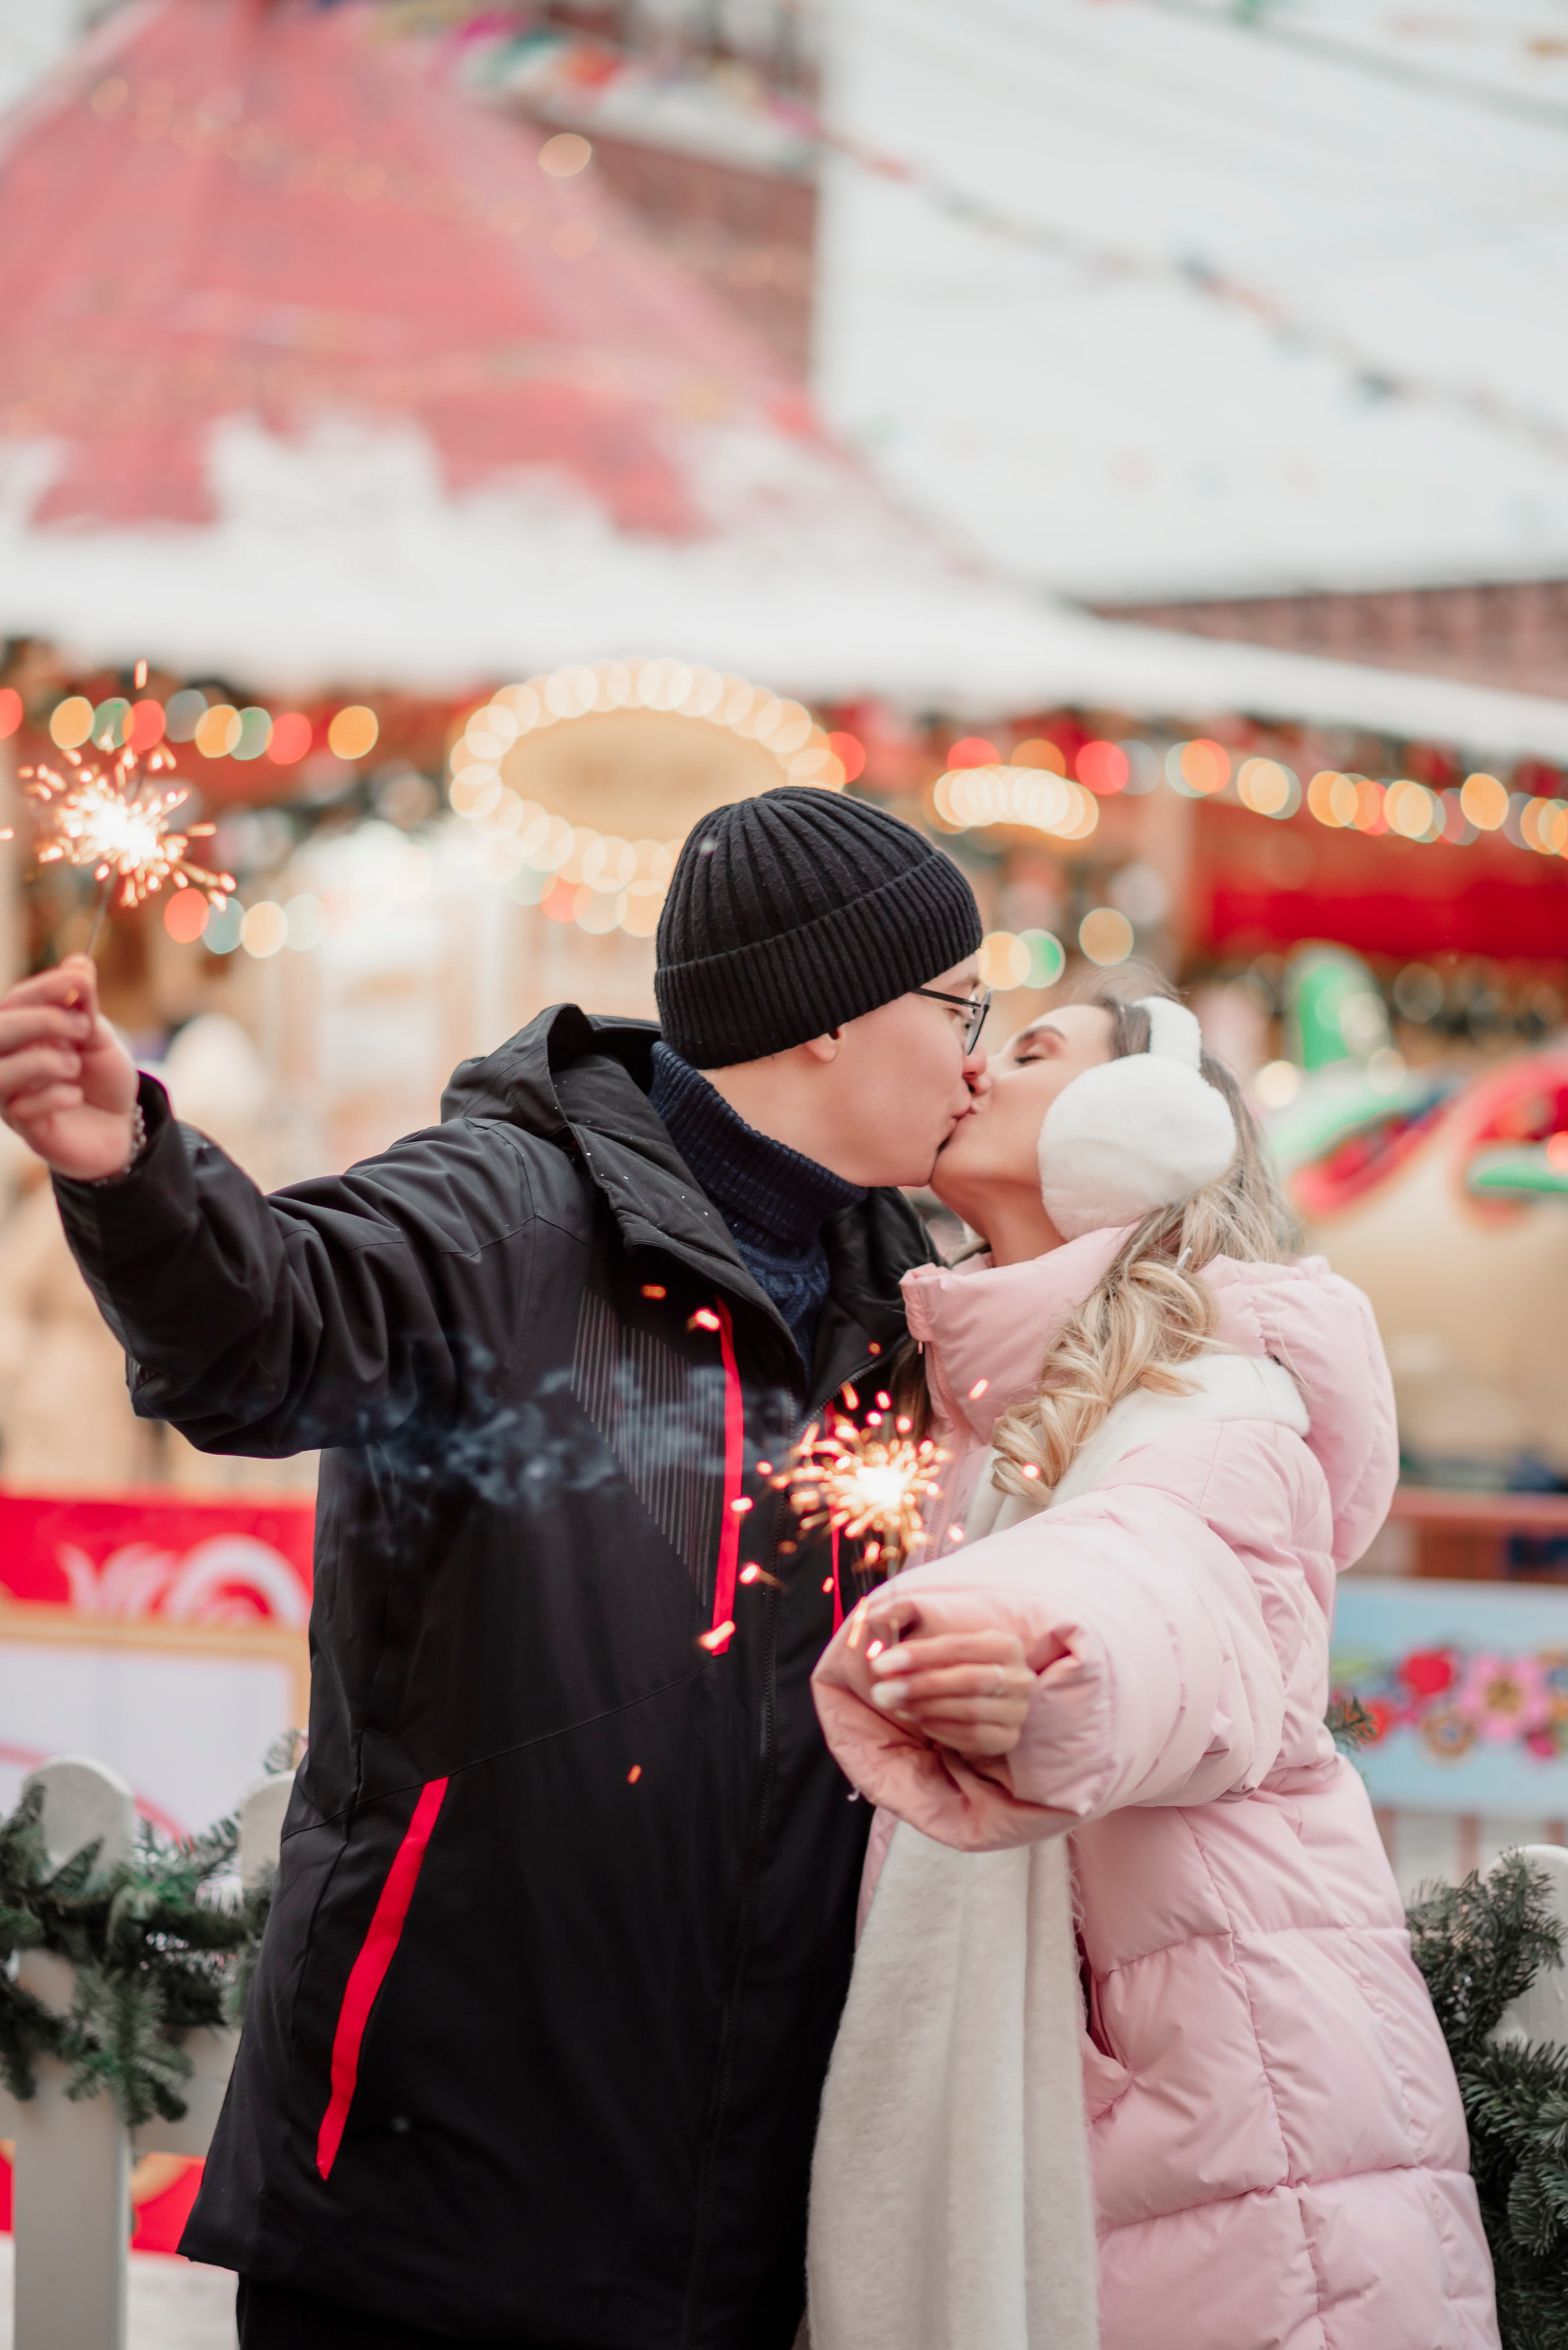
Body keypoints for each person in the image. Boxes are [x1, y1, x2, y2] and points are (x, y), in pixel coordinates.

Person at [0, 786, 989, 2350]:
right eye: (958, 1005)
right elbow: (271, 1324)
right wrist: (134, 1167)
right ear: (826, 1016)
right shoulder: (507, 1211)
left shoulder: (902, 1304)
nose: (976, 1055)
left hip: (730, 2243)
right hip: (429, 2217)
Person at [809, 989, 1499, 2350]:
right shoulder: (969, 1405)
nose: (975, 1068)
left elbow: (1161, 1578)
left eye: (1031, 1052)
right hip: (1159, 2128)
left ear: (1141, 1124)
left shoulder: (1219, 1392)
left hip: (1241, 2139)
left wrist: (1035, 1653)